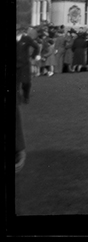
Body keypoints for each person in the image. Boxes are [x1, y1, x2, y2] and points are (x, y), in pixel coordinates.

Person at [16, 24, 40, 173]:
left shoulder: (26, 39)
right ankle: (20, 98)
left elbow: (36, 46)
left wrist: (34, 56)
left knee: (26, 83)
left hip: (24, 64)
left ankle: (26, 97)